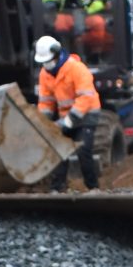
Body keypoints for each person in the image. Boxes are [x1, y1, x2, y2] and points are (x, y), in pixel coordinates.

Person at [33, 35, 101, 193]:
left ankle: (93, 188)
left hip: (86, 115)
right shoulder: (45, 73)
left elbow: (86, 97)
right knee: (58, 150)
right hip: (66, 117)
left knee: (83, 151)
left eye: (48, 61)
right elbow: (46, 101)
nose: (46, 65)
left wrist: (71, 120)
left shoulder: (76, 69)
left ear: (56, 55)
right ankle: (57, 188)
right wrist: (43, 122)